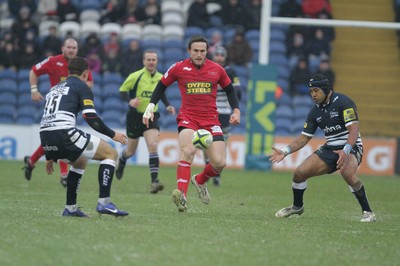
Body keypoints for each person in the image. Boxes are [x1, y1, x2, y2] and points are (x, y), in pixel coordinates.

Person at [142, 36, 241, 212]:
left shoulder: (216, 69)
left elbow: (230, 89)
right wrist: (150, 106)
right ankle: (182, 196)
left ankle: (200, 180)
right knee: (188, 150)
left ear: (206, 51)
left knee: (219, 163)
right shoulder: (179, 67)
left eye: (202, 51)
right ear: (189, 51)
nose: (199, 54)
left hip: (211, 121)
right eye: (195, 50)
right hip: (188, 119)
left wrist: (236, 110)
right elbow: (161, 85)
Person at [268, 73, 376, 222]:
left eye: (316, 91)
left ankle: (368, 212)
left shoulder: (344, 102)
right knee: (299, 173)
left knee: (347, 172)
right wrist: (285, 151)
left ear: (326, 89)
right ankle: (297, 207)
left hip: (351, 146)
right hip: (331, 147)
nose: (313, 95)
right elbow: (305, 137)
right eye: (311, 91)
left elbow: (354, 130)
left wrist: (345, 150)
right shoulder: (315, 111)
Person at [39, 56, 128, 217]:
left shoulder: (54, 88)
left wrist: (49, 155)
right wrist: (112, 134)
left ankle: (71, 208)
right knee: (110, 154)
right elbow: (91, 118)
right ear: (86, 73)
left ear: (68, 71)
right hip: (63, 132)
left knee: (80, 161)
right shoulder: (82, 86)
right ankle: (104, 203)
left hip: (45, 137)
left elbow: (48, 118)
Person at [22, 38, 94, 187]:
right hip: (54, 107)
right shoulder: (53, 61)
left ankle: (31, 162)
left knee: (55, 139)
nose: (71, 50)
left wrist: (79, 92)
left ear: (77, 50)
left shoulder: (81, 64)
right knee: (61, 137)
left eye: (74, 48)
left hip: (71, 107)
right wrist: (34, 90)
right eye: (69, 47)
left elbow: (89, 82)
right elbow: (33, 71)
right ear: (62, 48)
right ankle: (64, 175)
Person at [116, 50, 176, 193]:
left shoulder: (161, 78)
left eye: (153, 60)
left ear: (157, 62)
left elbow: (161, 93)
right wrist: (130, 100)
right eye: (148, 59)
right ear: (143, 61)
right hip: (135, 117)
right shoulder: (135, 76)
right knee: (130, 151)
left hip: (151, 116)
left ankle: (154, 182)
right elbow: (122, 91)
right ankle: (122, 160)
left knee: (153, 145)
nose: (151, 62)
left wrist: (167, 105)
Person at [205, 46, 241, 186]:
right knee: (205, 141)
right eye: (217, 54)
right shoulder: (207, 69)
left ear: (225, 57)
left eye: (222, 55)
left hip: (225, 112)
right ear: (213, 56)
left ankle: (217, 174)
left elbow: (238, 93)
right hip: (210, 111)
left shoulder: (230, 72)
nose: (219, 57)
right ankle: (208, 169)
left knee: (222, 143)